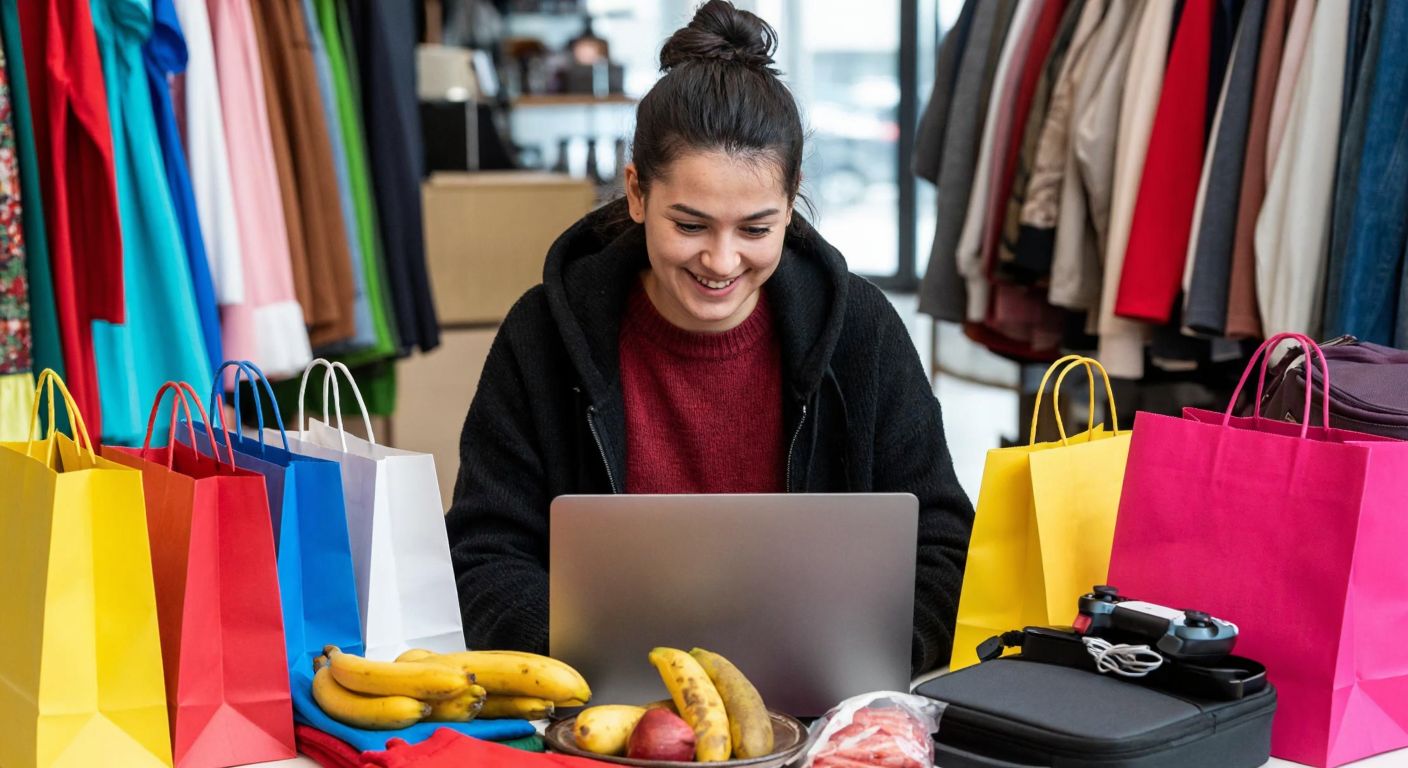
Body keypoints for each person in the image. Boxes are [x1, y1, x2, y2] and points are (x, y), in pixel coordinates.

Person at [446, 0, 974, 675]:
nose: (722, 262)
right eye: (690, 225)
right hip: (597, 715)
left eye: (756, 229)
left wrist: (858, 661)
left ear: (792, 202)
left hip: (821, 709)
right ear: (636, 192)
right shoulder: (544, 333)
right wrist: (593, 665)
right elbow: (485, 554)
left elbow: (942, 546)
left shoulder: (861, 333)